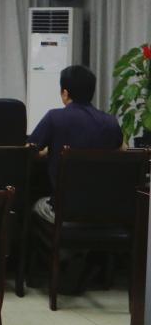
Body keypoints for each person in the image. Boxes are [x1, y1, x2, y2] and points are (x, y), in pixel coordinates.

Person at [30, 65, 123, 224]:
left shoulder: (54, 117)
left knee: (34, 204)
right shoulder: (110, 122)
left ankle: (56, 241)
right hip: (104, 213)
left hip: (65, 213)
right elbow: (122, 149)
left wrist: (46, 152)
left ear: (65, 93)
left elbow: (29, 151)